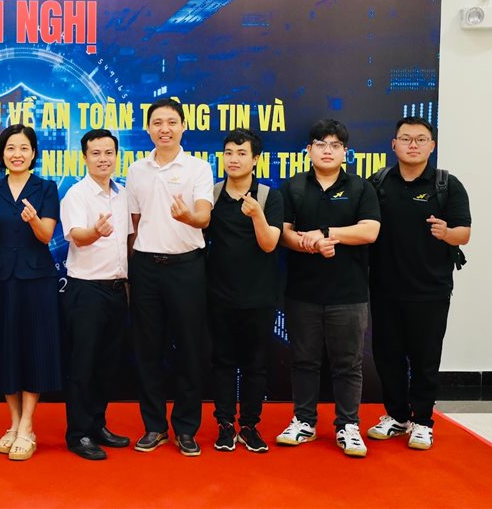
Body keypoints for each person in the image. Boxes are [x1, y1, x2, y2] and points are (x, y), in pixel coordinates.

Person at [276, 119, 380, 458]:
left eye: (335, 145)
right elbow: (284, 233)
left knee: (347, 364)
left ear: (345, 152)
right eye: (320, 144)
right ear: (309, 150)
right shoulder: (293, 186)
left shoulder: (361, 187)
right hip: (302, 292)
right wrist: (309, 244)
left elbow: (370, 231)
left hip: (349, 294)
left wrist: (326, 234)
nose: (327, 151)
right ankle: (303, 421)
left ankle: (348, 425)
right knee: (304, 361)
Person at [366, 116, 471, 451]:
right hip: (384, 288)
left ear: (432, 145)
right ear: (394, 144)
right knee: (388, 357)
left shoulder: (447, 185)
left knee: (425, 359)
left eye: (421, 139)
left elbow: (464, 233)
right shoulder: (378, 182)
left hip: (430, 290)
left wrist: (446, 232)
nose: (413, 145)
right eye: (406, 138)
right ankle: (397, 416)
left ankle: (423, 421)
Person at [126, 97, 213, 457]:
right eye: (157, 123)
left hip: (186, 268)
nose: (165, 129)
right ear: (148, 129)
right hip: (146, 267)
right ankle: (155, 426)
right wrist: (129, 269)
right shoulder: (136, 169)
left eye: (171, 122)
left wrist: (187, 217)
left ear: (183, 127)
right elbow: (133, 224)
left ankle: (187, 428)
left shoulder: (198, 168)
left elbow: (204, 217)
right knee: (148, 350)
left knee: (190, 350)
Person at [0, 124, 62, 461]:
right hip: (0, 280)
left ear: (33, 153)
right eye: (11, 148)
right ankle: (13, 423)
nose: (17, 154)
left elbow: (46, 236)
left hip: (37, 279)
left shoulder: (46, 188)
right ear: (2, 153)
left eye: (24, 148)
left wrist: (34, 219)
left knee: (34, 349)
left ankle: (27, 425)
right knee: (6, 349)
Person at [206, 129, 283, 453]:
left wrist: (256, 215)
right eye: (228, 153)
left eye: (241, 153)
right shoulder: (212, 194)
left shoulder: (268, 196)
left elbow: (269, 244)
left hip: (259, 297)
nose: (233, 159)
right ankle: (225, 425)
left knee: (255, 365)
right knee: (222, 363)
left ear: (255, 159)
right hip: (219, 295)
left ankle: (249, 426)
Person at [59, 129, 133, 460]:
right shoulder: (76, 194)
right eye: (96, 153)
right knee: (83, 366)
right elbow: (77, 236)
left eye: (108, 153)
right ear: (85, 157)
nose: (103, 159)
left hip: (117, 290)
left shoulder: (123, 194)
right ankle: (78, 434)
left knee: (107, 365)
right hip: (86, 291)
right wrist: (95, 232)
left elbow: (128, 241)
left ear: (116, 156)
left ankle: (97, 425)